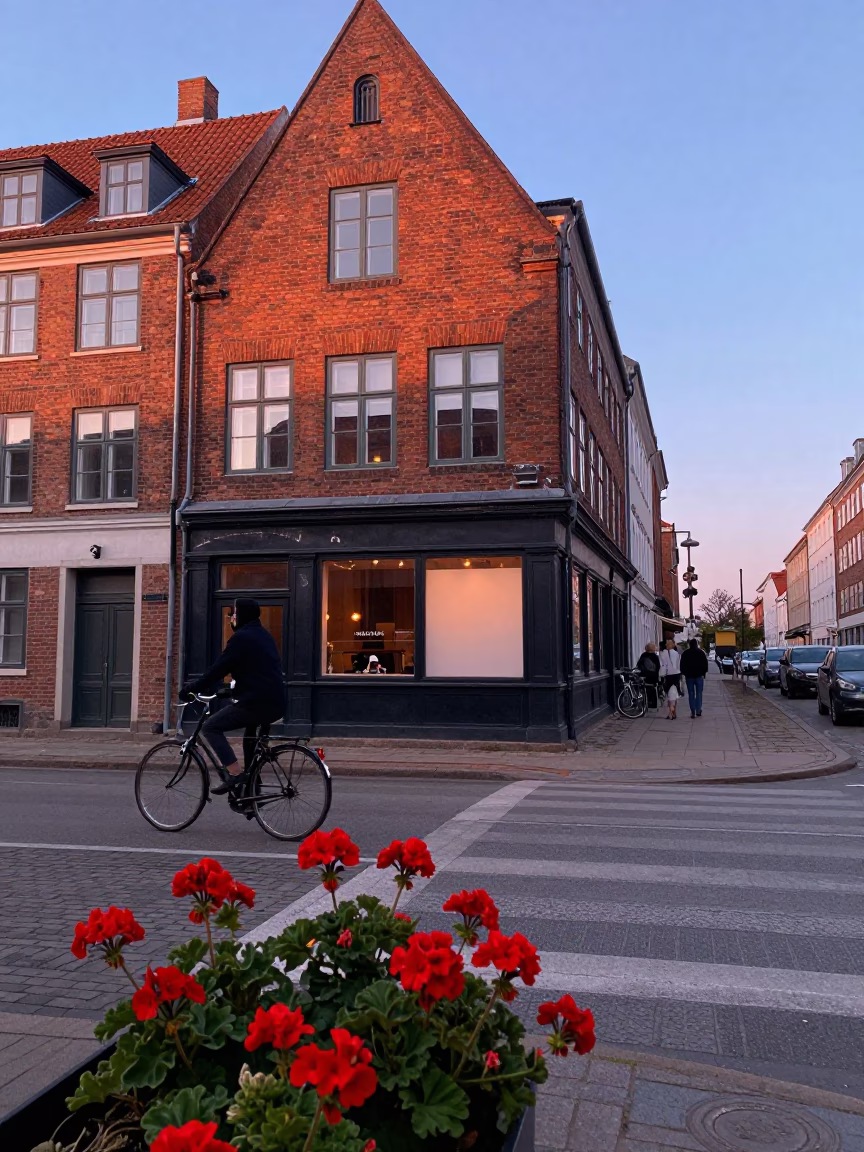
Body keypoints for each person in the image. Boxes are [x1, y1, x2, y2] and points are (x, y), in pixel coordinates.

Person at [182, 598, 286, 795]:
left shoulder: (242, 638)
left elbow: (218, 670)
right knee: (250, 742)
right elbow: (257, 671)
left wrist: (192, 688)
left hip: (257, 703)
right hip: (275, 701)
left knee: (210, 727)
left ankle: (236, 774)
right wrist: (233, 689)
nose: (232, 618)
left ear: (243, 616)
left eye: (235, 614)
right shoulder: (263, 635)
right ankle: (252, 793)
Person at [681, 637, 709, 718]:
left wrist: (685, 673)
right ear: (697, 644)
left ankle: (692, 710)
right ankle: (698, 710)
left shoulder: (685, 653)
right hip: (699, 676)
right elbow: (705, 664)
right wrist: (703, 673)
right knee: (699, 693)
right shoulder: (701, 653)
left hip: (689, 676)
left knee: (691, 693)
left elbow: (682, 665)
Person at [659, 639, 682, 719]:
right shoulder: (677, 654)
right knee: (675, 693)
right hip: (677, 674)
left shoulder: (663, 653)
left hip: (668, 675)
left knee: (669, 693)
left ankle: (671, 709)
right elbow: (679, 665)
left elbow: (662, 665)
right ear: (673, 645)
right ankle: (673, 712)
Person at [636, 642, 661, 708]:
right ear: (653, 649)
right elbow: (658, 667)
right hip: (653, 678)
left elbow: (638, 665)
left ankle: (644, 702)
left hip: (644, 677)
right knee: (653, 688)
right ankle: (653, 703)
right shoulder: (655, 657)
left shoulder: (643, 655)